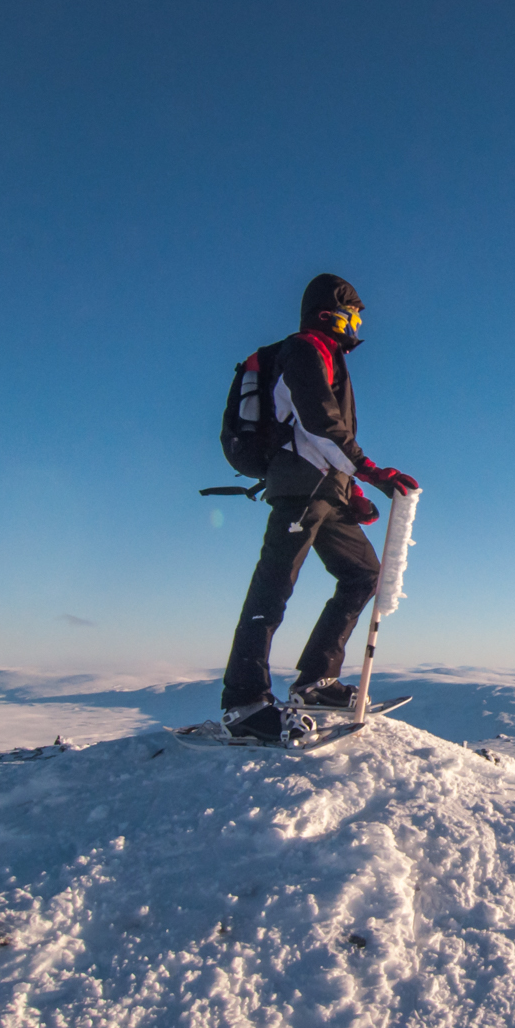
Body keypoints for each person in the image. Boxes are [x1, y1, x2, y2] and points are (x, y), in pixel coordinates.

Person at [219, 273, 419, 741]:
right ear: (331, 314)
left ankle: (315, 682)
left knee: (364, 574)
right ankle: (243, 703)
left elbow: (317, 435)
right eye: (354, 314)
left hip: (325, 490)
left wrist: (353, 491)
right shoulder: (305, 350)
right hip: (299, 488)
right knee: (273, 588)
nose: (359, 323)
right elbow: (318, 424)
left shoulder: (326, 356)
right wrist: (371, 473)